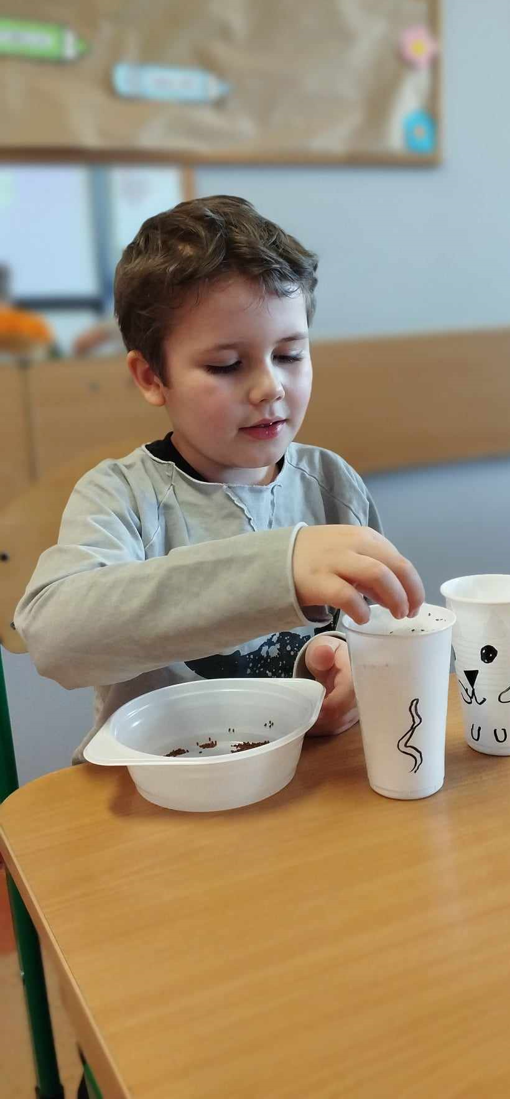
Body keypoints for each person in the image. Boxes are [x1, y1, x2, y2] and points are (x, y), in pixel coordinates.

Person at [15, 195, 424, 757]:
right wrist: (278, 571)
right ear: (151, 377)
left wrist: (344, 668)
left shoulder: (331, 483)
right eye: (226, 365)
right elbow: (55, 638)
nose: (269, 387)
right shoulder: (123, 496)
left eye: (290, 354)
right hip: (158, 784)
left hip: (304, 776)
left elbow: (369, 631)